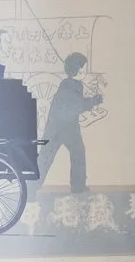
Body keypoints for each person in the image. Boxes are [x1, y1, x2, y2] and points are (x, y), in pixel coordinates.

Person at [42, 52, 103, 190]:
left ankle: (78, 187)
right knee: (46, 158)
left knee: (78, 153)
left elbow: (77, 104)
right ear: (78, 70)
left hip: (69, 127)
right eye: (84, 68)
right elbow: (78, 105)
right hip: (57, 129)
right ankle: (31, 188)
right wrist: (94, 101)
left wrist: (92, 100)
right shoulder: (67, 86)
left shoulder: (75, 84)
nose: (85, 72)